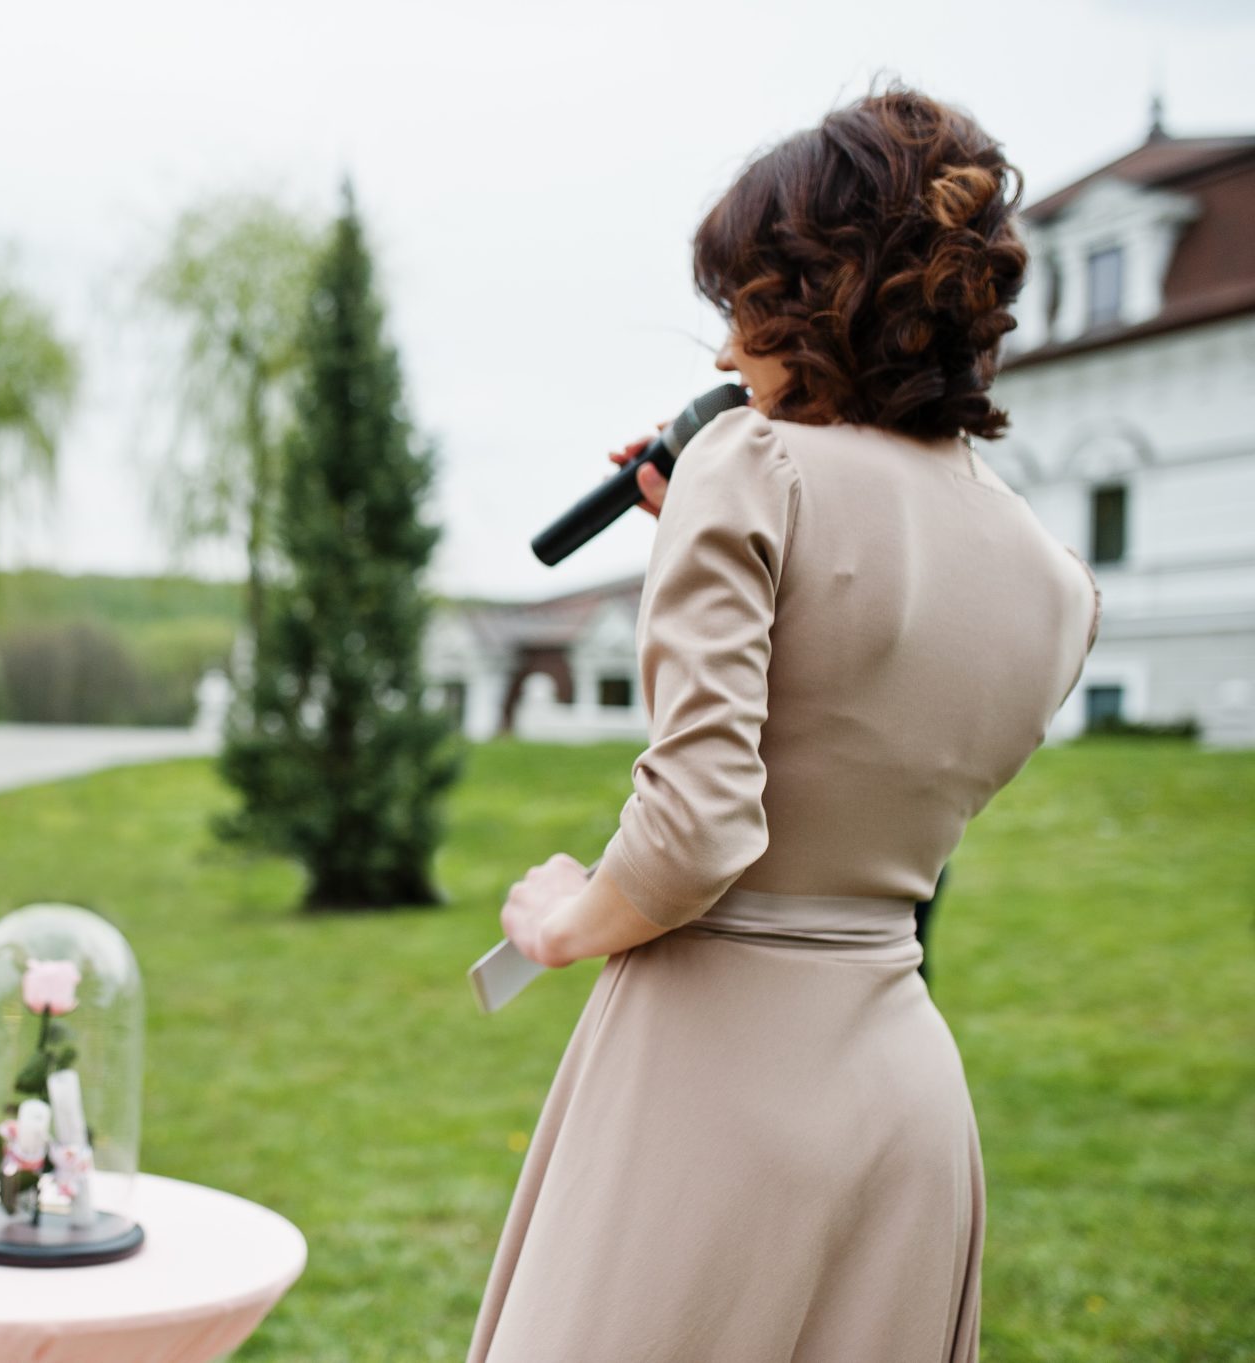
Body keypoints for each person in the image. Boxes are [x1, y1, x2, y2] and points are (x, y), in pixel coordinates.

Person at [470, 88, 1099, 1363]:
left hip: (714, 1076)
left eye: (742, 306)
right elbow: (865, 719)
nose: (720, 358)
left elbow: (697, 832)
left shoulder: (746, 466)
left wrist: (558, 920)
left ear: (820, 298)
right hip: (904, 1096)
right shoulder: (1052, 577)